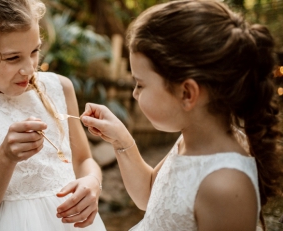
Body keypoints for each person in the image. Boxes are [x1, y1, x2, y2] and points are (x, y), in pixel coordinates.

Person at [80, 0, 283, 230]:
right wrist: (120, 139)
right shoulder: (193, 139)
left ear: (187, 93)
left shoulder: (226, 186)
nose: (135, 94)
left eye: (140, 84)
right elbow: (149, 194)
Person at [0, 0, 106, 230]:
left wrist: (92, 182)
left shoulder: (60, 88)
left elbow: (83, 160)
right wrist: (6, 157)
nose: (29, 69)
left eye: (35, 51)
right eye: (12, 58)